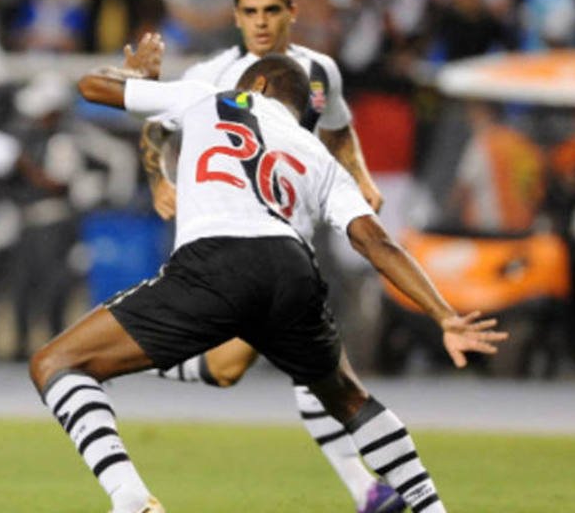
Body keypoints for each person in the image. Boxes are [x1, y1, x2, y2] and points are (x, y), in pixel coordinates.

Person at [29, 39, 508, 513]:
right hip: (292, 271)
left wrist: (132, 75)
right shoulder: (316, 153)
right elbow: (376, 243)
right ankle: (430, 507)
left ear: (256, 83)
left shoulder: (207, 96)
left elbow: (91, 87)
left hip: (215, 263)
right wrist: (444, 315)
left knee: (56, 364)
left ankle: (130, 498)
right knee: (347, 398)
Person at [139, 0, 398, 513]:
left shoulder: (319, 71)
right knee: (293, 364)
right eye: (249, 12)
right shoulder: (215, 73)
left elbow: (339, 128)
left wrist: (362, 174)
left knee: (250, 365)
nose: (260, 22)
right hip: (236, 237)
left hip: (295, 234)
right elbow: (156, 124)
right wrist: (159, 178)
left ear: (291, 13)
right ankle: (371, 490)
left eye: (270, 10)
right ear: (235, 17)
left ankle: (368, 490)